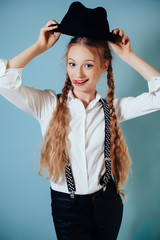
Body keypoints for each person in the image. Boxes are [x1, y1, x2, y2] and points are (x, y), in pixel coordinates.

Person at [0, 2, 160, 240]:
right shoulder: (47, 105)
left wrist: (128, 56)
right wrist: (38, 47)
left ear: (104, 66)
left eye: (88, 65)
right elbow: (4, 81)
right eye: (72, 64)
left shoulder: (113, 109)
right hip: (67, 208)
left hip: (108, 205)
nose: (78, 74)